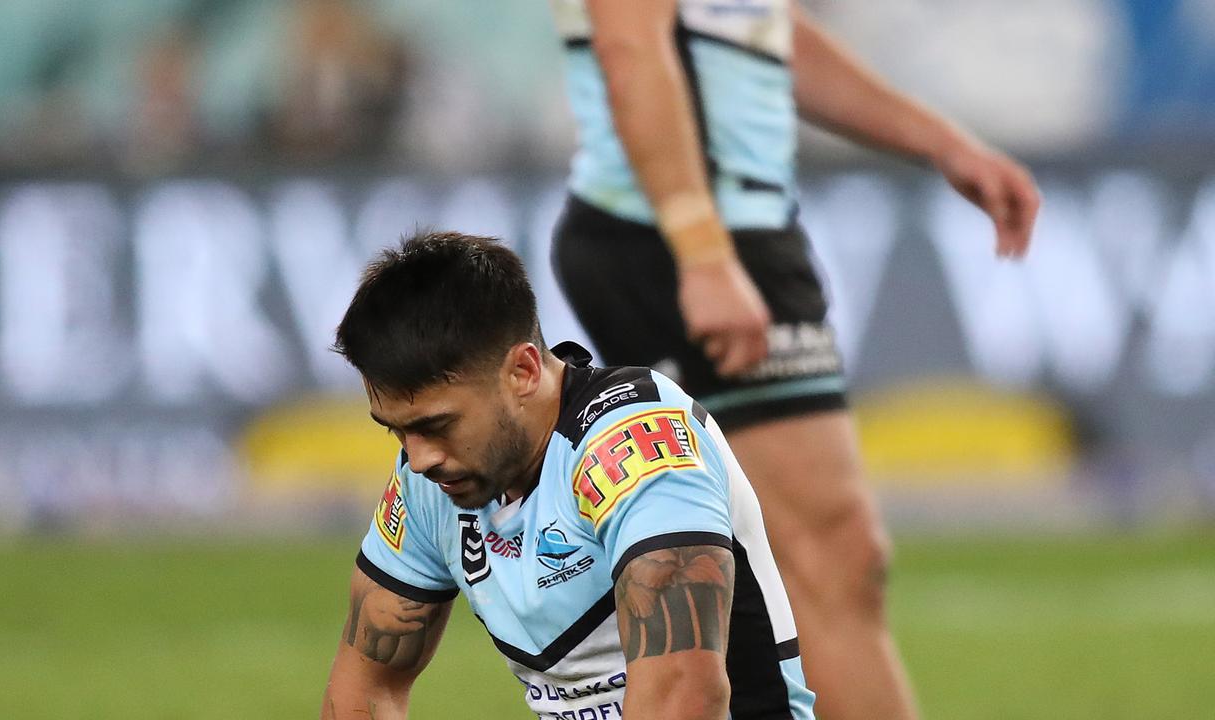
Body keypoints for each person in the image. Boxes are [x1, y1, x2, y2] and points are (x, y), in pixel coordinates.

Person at [547, 2, 1042, 719]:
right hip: (675, 230)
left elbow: (756, 24)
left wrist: (942, 143)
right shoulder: (696, 238)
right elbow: (629, 46)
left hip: (723, 229)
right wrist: (703, 250)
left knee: (777, 564)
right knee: (827, 560)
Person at [322, 232, 815, 719]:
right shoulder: (431, 481)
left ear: (523, 371)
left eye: (436, 425)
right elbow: (363, 692)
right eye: (397, 432)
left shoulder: (638, 442)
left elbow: (683, 699)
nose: (419, 457)